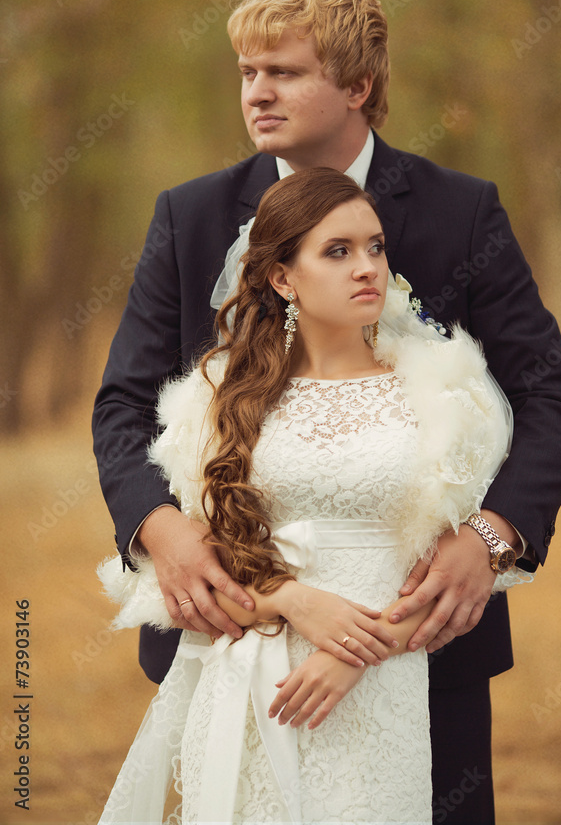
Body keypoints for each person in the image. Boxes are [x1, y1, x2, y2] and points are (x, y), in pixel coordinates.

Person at [92, 0, 561, 822]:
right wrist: (162, 529)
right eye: (247, 71)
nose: (258, 91)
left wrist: (491, 537)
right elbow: (124, 406)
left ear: (358, 86)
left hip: (423, 640)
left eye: (283, 71)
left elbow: (550, 397)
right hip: (235, 627)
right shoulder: (192, 214)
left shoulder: (460, 212)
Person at [98, 167, 521, 823]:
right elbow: (200, 552)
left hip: (382, 682)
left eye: (376, 247)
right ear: (282, 277)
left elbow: (456, 566)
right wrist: (291, 601)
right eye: (338, 251)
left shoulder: (443, 395)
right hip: (250, 671)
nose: (367, 268)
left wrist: (354, 657)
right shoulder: (218, 395)